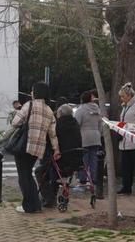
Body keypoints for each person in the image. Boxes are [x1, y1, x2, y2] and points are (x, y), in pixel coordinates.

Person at [6, 82, 60, 213]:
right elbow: (53, 134)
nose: (31, 93)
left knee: (24, 177)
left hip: (24, 145)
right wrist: (56, 149)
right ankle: (34, 204)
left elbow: (15, 122)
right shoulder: (49, 110)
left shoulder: (29, 105)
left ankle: (29, 206)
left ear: (36, 92)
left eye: (32, 90)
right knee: (27, 175)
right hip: (38, 149)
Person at [36, 104, 82, 207]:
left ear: (60, 114)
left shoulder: (57, 125)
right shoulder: (75, 124)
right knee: (53, 170)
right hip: (75, 160)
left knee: (39, 171)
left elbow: (49, 142)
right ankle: (51, 195)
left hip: (61, 160)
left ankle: (49, 198)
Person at [74, 91, 103, 185]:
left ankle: (82, 178)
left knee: (84, 159)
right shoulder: (98, 110)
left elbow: (76, 124)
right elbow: (100, 124)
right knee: (94, 159)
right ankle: (94, 178)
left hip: (84, 138)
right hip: (96, 136)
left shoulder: (81, 110)